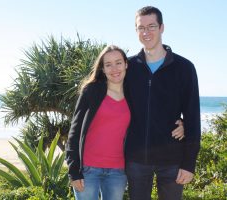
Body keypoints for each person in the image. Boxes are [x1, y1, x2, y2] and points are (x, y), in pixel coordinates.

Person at [65, 45, 184, 200]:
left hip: (117, 171)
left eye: (118, 63)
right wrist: (74, 170)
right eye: (108, 64)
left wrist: (182, 122)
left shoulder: (134, 92)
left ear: (126, 64)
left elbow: (154, 114)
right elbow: (74, 131)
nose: (114, 68)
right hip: (88, 169)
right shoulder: (92, 91)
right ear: (102, 68)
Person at [124, 6, 201, 200]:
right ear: (136, 31)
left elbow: (193, 116)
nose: (146, 32)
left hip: (172, 160)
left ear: (162, 28)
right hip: (136, 159)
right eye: (141, 28)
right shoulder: (128, 67)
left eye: (151, 26)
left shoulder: (184, 68)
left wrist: (188, 164)